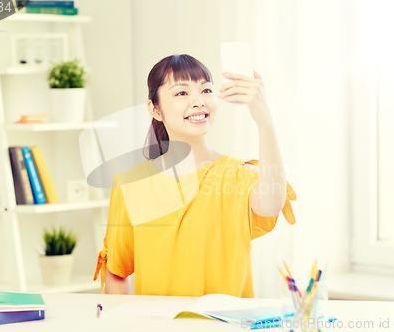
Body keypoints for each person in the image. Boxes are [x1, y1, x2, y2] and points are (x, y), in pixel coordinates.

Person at [94, 54, 297, 297]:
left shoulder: (239, 175)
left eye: (206, 90)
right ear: (155, 109)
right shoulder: (130, 183)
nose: (199, 101)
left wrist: (265, 123)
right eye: (182, 93)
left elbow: (271, 205)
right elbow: (117, 270)